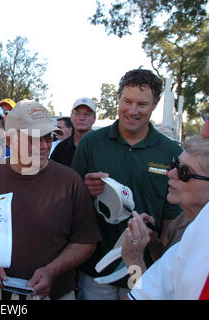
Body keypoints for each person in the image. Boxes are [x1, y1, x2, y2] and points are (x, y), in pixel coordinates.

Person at [0, 100, 102, 300]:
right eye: (33, 138)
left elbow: (86, 241)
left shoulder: (70, 181)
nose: (43, 145)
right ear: (9, 140)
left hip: (55, 294)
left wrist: (53, 270)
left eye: (48, 137)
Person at [71, 68, 182, 300]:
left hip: (145, 271)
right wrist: (85, 189)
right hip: (96, 269)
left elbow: (173, 223)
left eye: (142, 104)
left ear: (154, 106)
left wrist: (157, 243)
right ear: (118, 99)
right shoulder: (91, 144)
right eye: (127, 101)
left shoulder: (172, 152)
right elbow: (71, 204)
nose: (133, 111)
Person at [127, 119, 209, 300]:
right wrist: (153, 243)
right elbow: (164, 273)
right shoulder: (182, 222)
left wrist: (134, 261)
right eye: (174, 164)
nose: (170, 174)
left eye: (184, 172)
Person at [50, 98, 97, 167]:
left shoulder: (104, 146)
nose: (81, 118)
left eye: (87, 114)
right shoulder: (61, 148)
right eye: (77, 113)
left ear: (94, 118)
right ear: (71, 116)